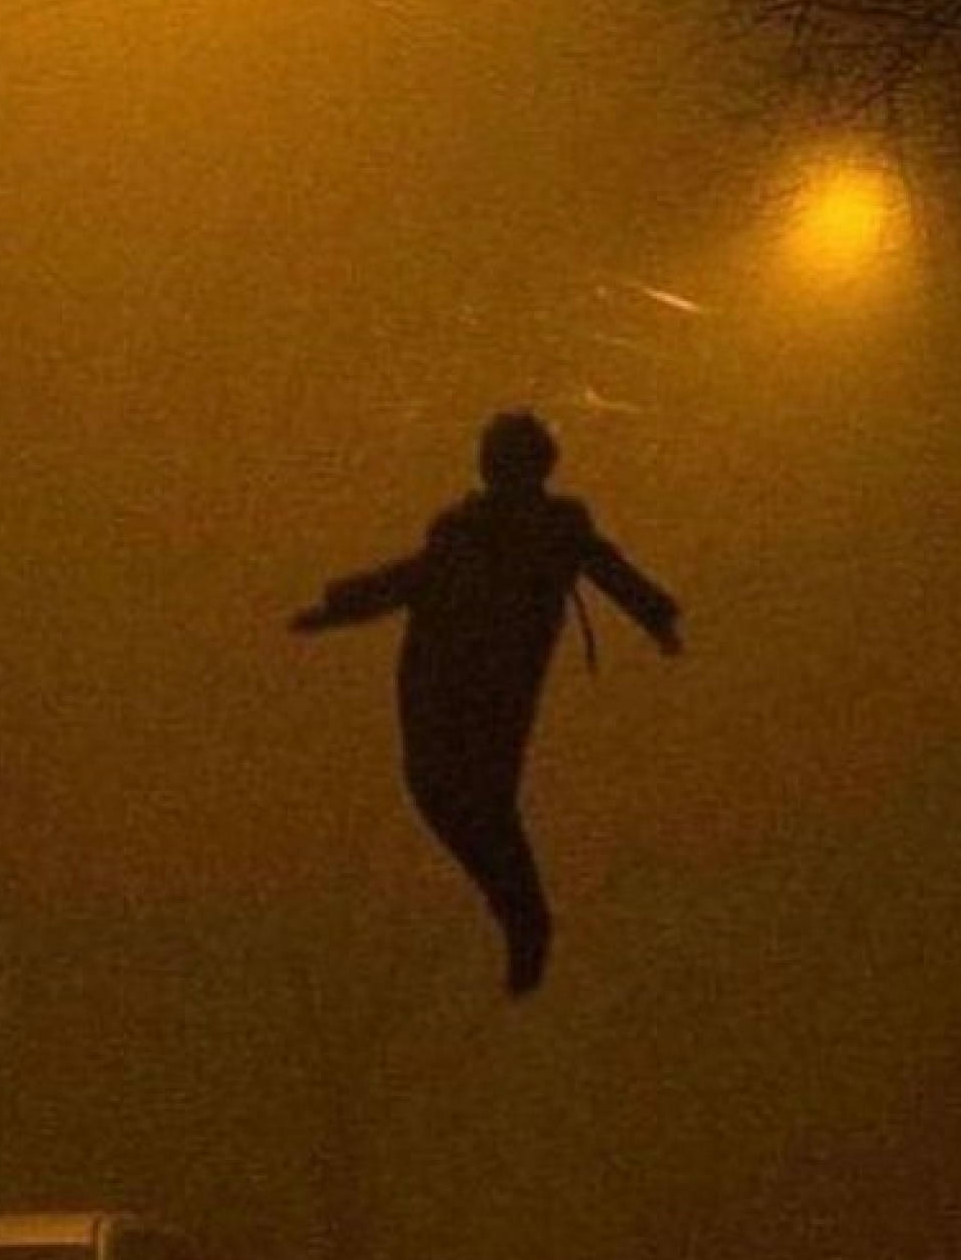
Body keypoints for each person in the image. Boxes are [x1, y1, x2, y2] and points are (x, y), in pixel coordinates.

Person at [291, 410, 682, 995]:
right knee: (464, 798)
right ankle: (522, 917)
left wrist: (657, 616)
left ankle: (524, 920)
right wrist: (336, 608)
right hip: (453, 687)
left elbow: (607, 571)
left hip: (470, 690)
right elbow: (416, 579)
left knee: (471, 799)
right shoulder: (494, 530)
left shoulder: (531, 530)